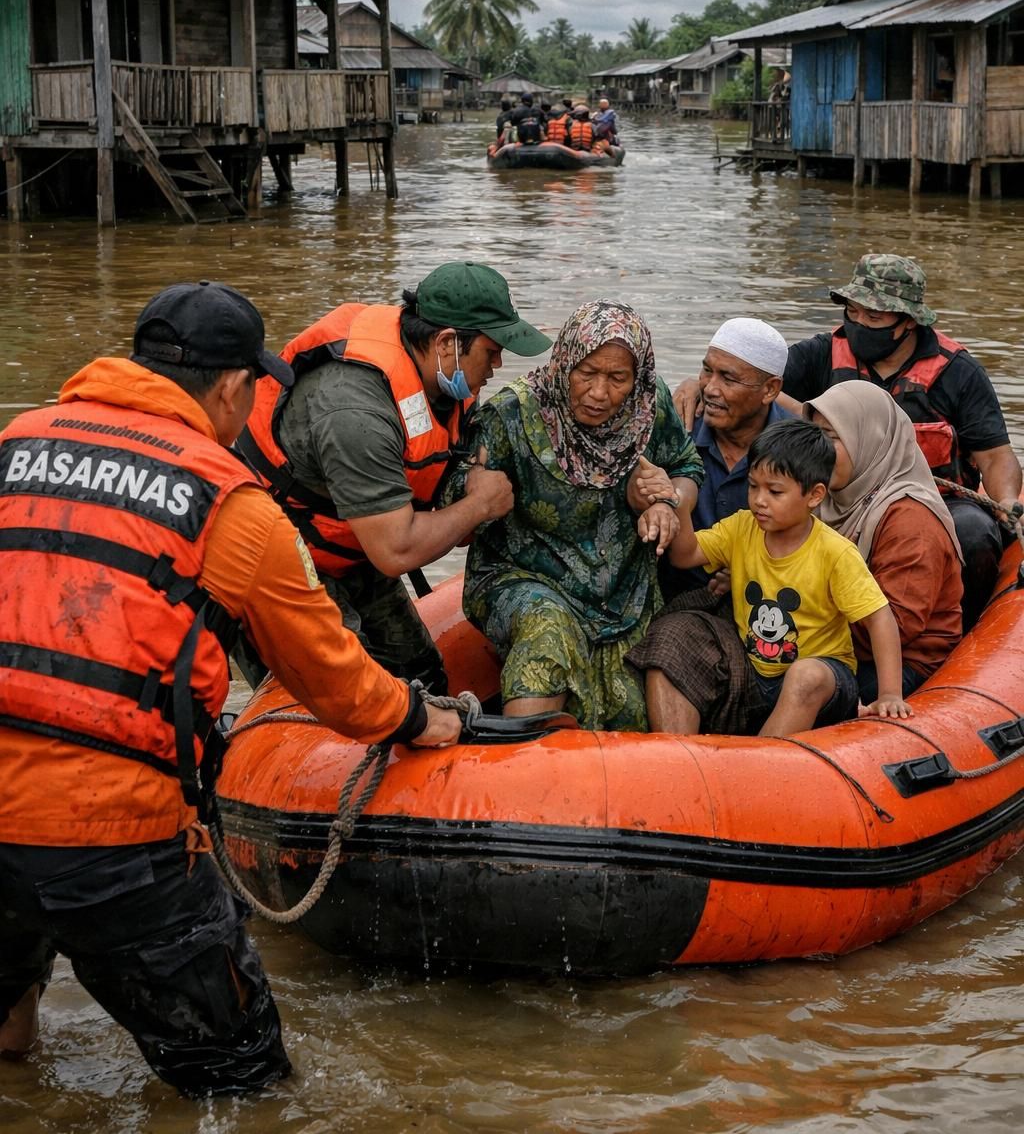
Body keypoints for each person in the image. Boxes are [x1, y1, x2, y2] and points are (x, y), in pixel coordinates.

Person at [0, 281, 462, 1097]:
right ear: (232, 388)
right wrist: (418, 716)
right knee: (242, 1085)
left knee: (7, 1036)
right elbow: (333, 677)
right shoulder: (232, 505)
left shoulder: (17, 444)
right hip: (116, 837)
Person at [238, 263, 551, 692]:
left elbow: (443, 480)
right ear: (446, 343)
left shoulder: (448, 382)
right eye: (492, 350)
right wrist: (478, 506)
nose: (499, 364)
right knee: (345, 695)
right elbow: (395, 549)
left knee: (424, 676)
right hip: (279, 562)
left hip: (353, 547)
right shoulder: (355, 411)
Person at [446, 302, 704, 731]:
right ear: (564, 361)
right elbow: (456, 508)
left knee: (633, 710)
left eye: (617, 378)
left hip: (623, 589)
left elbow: (686, 467)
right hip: (524, 577)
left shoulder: (649, 404)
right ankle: (519, 768)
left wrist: (665, 501)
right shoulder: (512, 415)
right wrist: (477, 493)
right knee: (547, 633)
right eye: (586, 373)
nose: (599, 393)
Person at [781, 253, 1022, 630]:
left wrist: (1006, 501)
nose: (859, 324)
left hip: (938, 504)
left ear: (907, 322)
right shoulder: (820, 354)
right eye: (854, 312)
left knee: (975, 534)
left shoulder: (958, 372)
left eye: (874, 318)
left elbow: (994, 456)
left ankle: (965, 631)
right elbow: (759, 382)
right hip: (837, 498)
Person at [630, 419, 910, 736]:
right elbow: (684, 555)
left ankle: (756, 768)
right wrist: (674, 501)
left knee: (805, 676)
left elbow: (879, 619)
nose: (759, 500)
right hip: (753, 669)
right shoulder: (742, 526)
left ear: (815, 495)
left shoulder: (835, 552)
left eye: (775, 491)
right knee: (675, 631)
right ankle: (680, 759)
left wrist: (889, 694)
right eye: (753, 486)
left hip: (825, 679)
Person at [806, 381, 963, 702]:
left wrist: (799, 625)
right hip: (830, 639)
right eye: (815, 434)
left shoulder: (910, 519)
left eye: (832, 437)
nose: (817, 448)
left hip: (904, 661)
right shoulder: (828, 497)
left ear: (870, 440)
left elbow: (899, 622)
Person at [663, 317, 791, 603]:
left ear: (770, 389)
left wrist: (752, 568)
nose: (709, 388)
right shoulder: (677, 429)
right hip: (677, 597)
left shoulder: (797, 449)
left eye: (728, 378)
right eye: (707, 371)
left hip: (769, 600)